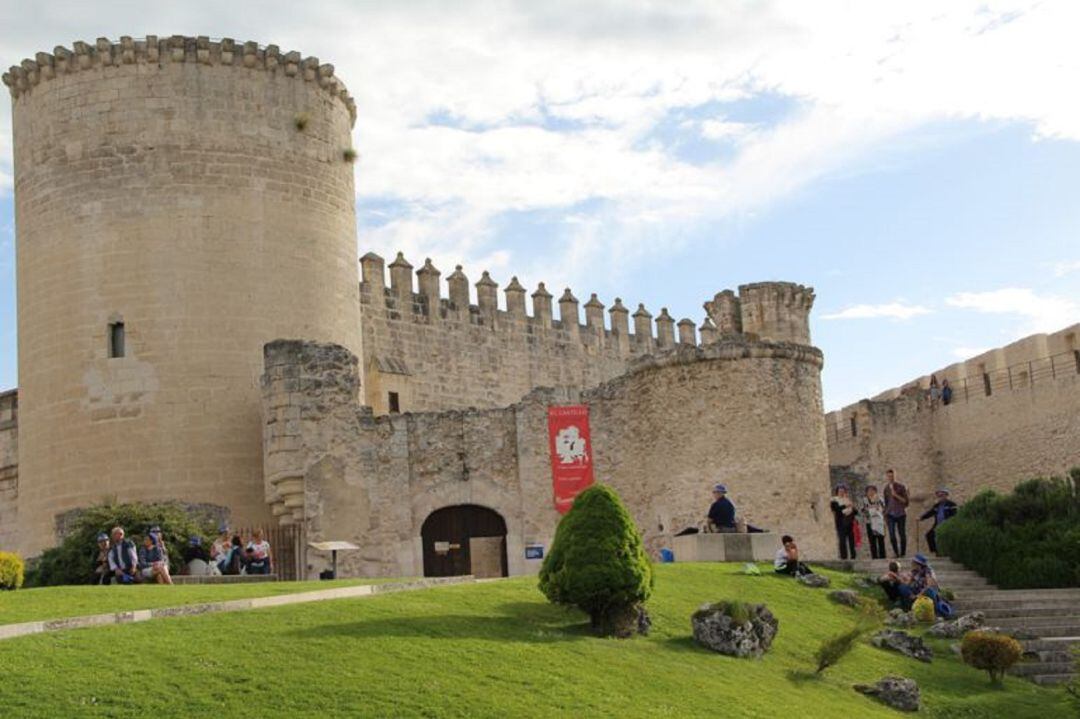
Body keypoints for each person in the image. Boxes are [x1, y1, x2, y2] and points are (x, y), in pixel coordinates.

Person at [920, 488, 959, 555]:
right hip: (938, 524)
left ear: (946, 495)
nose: (940, 497)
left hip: (947, 525)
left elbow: (954, 515)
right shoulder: (937, 506)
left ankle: (947, 551)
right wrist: (921, 518)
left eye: (942, 495)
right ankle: (935, 551)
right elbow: (930, 513)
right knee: (929, 535)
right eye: (939, 496)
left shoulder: (951, 504)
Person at [883, 469, 909, 558]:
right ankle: (896, 553)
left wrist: (896, 495)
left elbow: (906, 502)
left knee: (902, 534)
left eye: (892, 476)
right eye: (889, 476)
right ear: (887, 477)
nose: (890, 478)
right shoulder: (886, 489)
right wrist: (885, 514)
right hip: (890, 514)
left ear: (895, 476)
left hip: (901, 513)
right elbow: (886, 503)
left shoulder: (901, 487)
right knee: (892, 534)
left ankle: (903, 553)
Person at [829, 484, 857, 559]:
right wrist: (846, 506)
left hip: (849, 521)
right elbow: (836, 509)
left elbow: (855, 512)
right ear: (837, 492)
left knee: (851, 540)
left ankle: (853, 556)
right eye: (840, 491)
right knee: (842, 540)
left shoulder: (847, 499)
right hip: (841, 521)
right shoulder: (834, 500)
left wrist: (853, 508)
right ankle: (844, 557)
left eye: (843, 491)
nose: (841, 492)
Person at [861, 485, 887, 560]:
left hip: (879, 522)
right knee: (872, 540)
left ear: (875, 491)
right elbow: (863, 510)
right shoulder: (865, 500)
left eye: (872, 490)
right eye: (869, 491)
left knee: (880, 540)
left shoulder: (880, 499)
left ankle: (882, 556)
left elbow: (884, 508)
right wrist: (870, 509)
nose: (871, 492)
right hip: (870, 522)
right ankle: (874, 557)